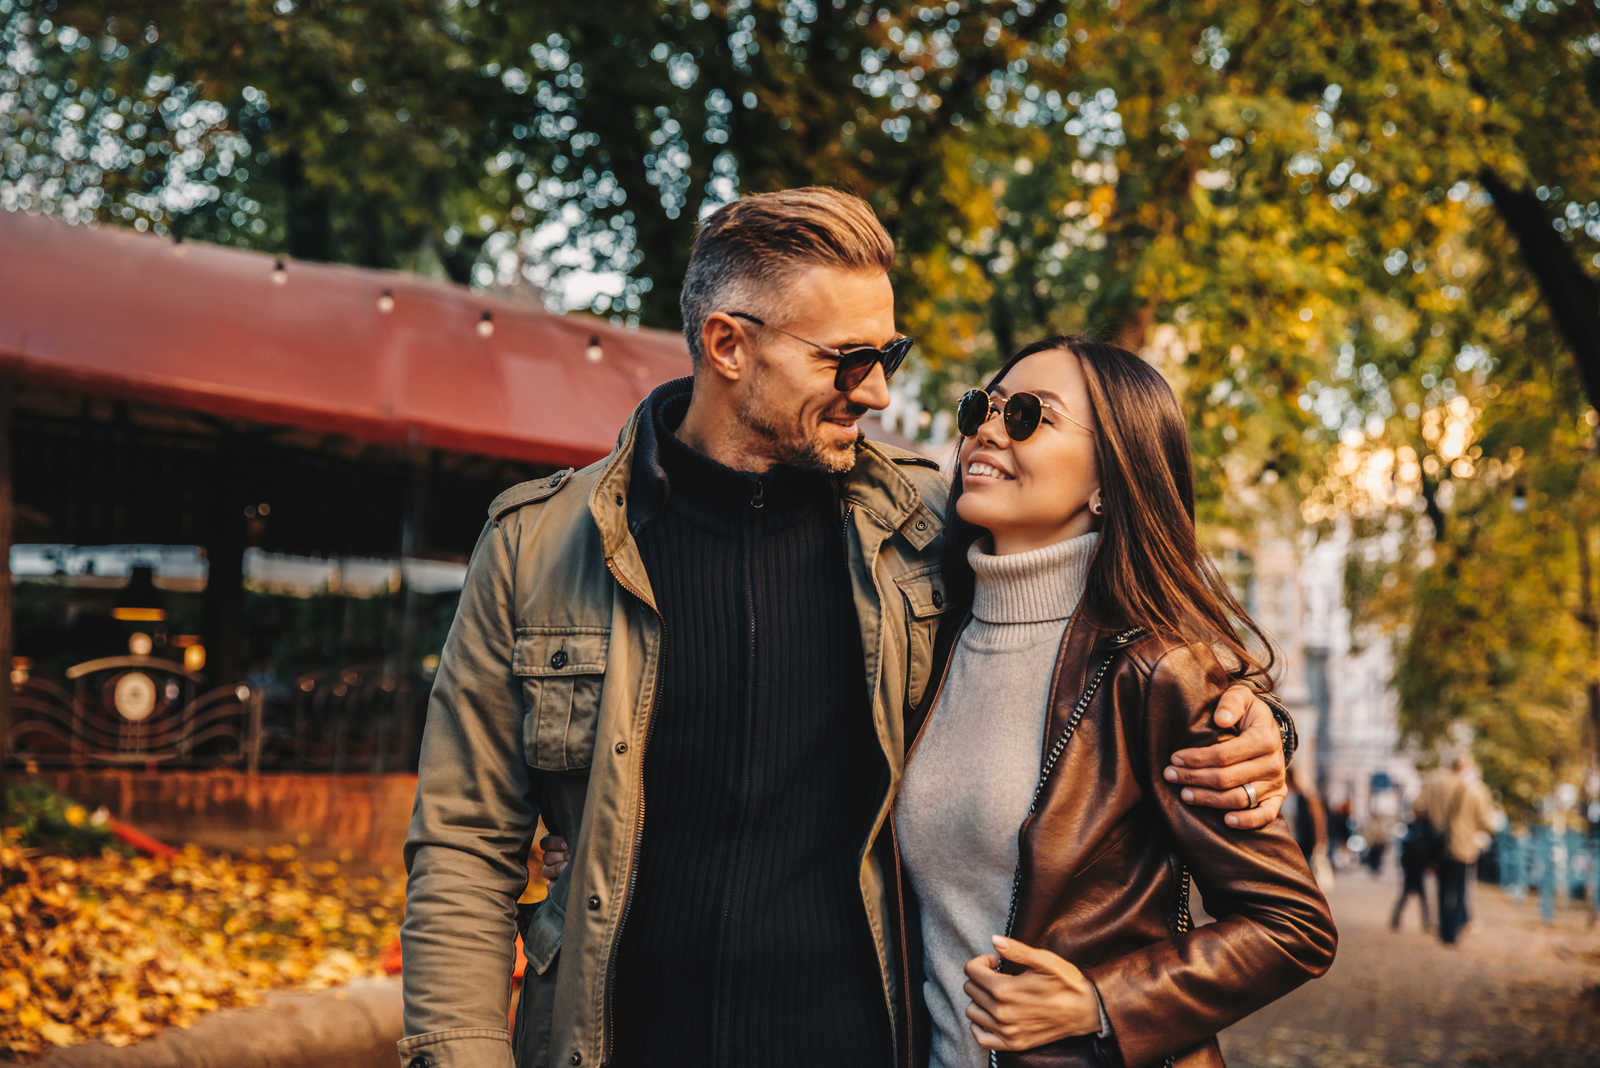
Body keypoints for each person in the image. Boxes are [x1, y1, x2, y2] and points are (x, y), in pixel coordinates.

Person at [399, 189, 1299, 1068]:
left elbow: (1092, 612)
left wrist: (1249, 722)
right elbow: (464, 843)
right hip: (612, 1040)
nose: (875, 391)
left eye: (889, 354)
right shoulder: (536, 546)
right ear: (728, 346)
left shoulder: (931, 528)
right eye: (847, 358)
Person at [890, 337, 1336, 1068]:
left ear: (1108, 479)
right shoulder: (923, 642)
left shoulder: (1158, 671)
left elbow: (1292, 924)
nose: (990, 429)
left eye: (1031, 415)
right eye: (984, 406)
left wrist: (1101, 1003)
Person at [1414, 755, 1495, 944]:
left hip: (1439, 844)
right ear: (1465, 768)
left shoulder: (1435, 783)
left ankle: (1443, 929)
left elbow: (1417, 807)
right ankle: (1453, 931)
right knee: (1459, 889)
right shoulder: (1474, 790)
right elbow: (1484, 821)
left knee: (1442, 887)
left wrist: (1434, 819)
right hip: (1463, 846)